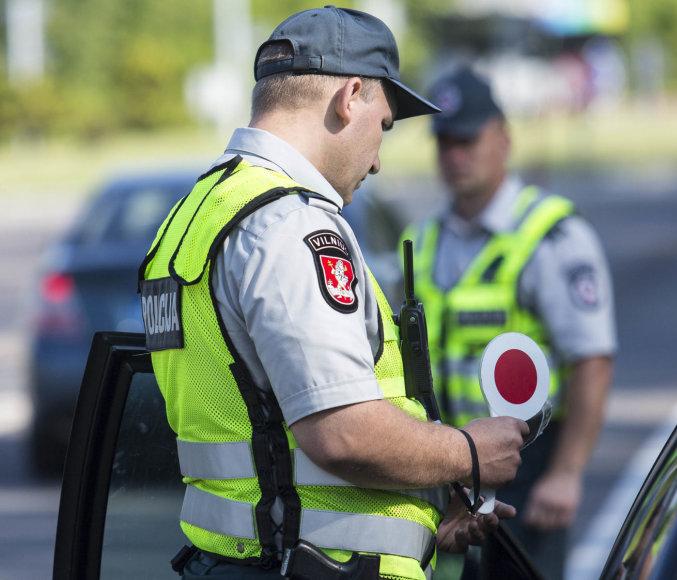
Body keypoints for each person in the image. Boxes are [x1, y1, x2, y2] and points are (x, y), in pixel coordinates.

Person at [138, 8, 528, 580]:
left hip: (235, 561)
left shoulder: (195, 213)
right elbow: (341, 431)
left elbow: (262, 438)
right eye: (384, 126)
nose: (376, 158)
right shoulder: (290, 225)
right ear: (350, 97)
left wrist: (420, 509)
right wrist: (467, 454)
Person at [400, 67, 617, 579]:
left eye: (468, 139)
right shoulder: (423, 239)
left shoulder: (551, 235)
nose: (455, 155)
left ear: (504, 139)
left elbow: (591, 360)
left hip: (526, 474)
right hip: (446, 470)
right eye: (445, 142)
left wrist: (565, 474)